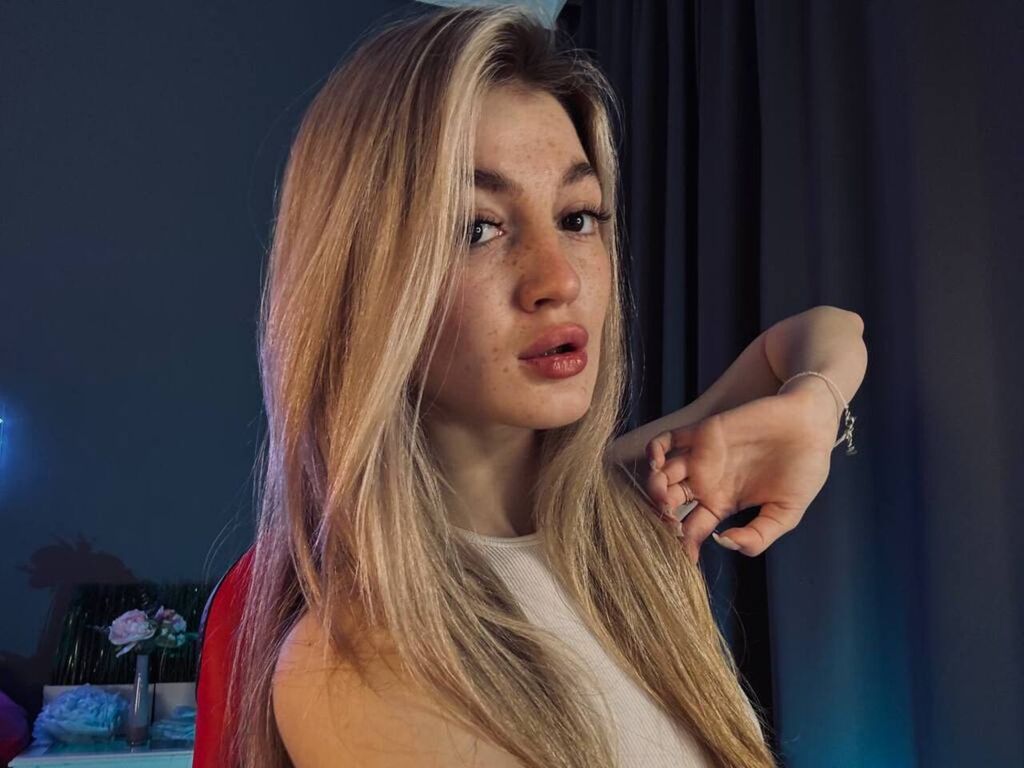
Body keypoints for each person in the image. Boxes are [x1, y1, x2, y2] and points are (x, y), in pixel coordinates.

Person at [229, 5, 859, 766]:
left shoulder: (625, 516)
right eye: (477, 228)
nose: (559, 280)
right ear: (362, 283)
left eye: (578, 217)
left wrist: (813, 408)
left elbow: (828, 333)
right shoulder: (352, 667)